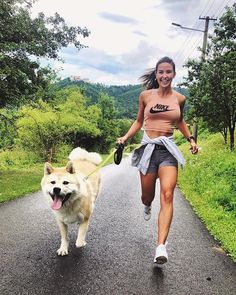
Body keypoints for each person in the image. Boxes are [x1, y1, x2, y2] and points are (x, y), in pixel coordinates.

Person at [117, 56, 198, 265]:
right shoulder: (145, 95)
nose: (164, 75)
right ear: (156, 74)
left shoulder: (180, 99)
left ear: (174, 74)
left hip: (167, 151)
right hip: (148, 150)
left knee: (168, 193)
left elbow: (180, 121)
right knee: (147, 196)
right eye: (161, 72)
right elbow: (138, 121)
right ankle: (147, 205)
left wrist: (190, 139)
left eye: (168, 72)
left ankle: (161, 246)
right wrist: (125, 138)